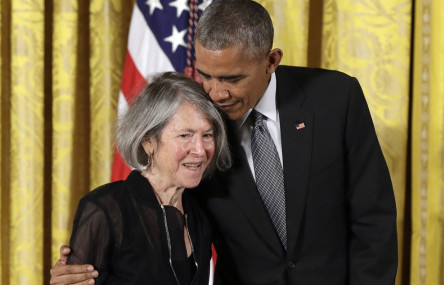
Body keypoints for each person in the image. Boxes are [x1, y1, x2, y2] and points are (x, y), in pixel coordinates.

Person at [51, 0, 398, 284]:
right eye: (206, 75)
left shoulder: (335, 98)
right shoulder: (202, 122)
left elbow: (373, 218)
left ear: (271, 61)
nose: (216, 93)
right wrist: (84, 266)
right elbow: (152, 225)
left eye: (231, 78)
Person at [49, 71, 231, 285]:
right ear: (148, 142)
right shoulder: (105, 209)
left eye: (207, 135)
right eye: (185, 135)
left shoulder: (200, 213)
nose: (200, 150)